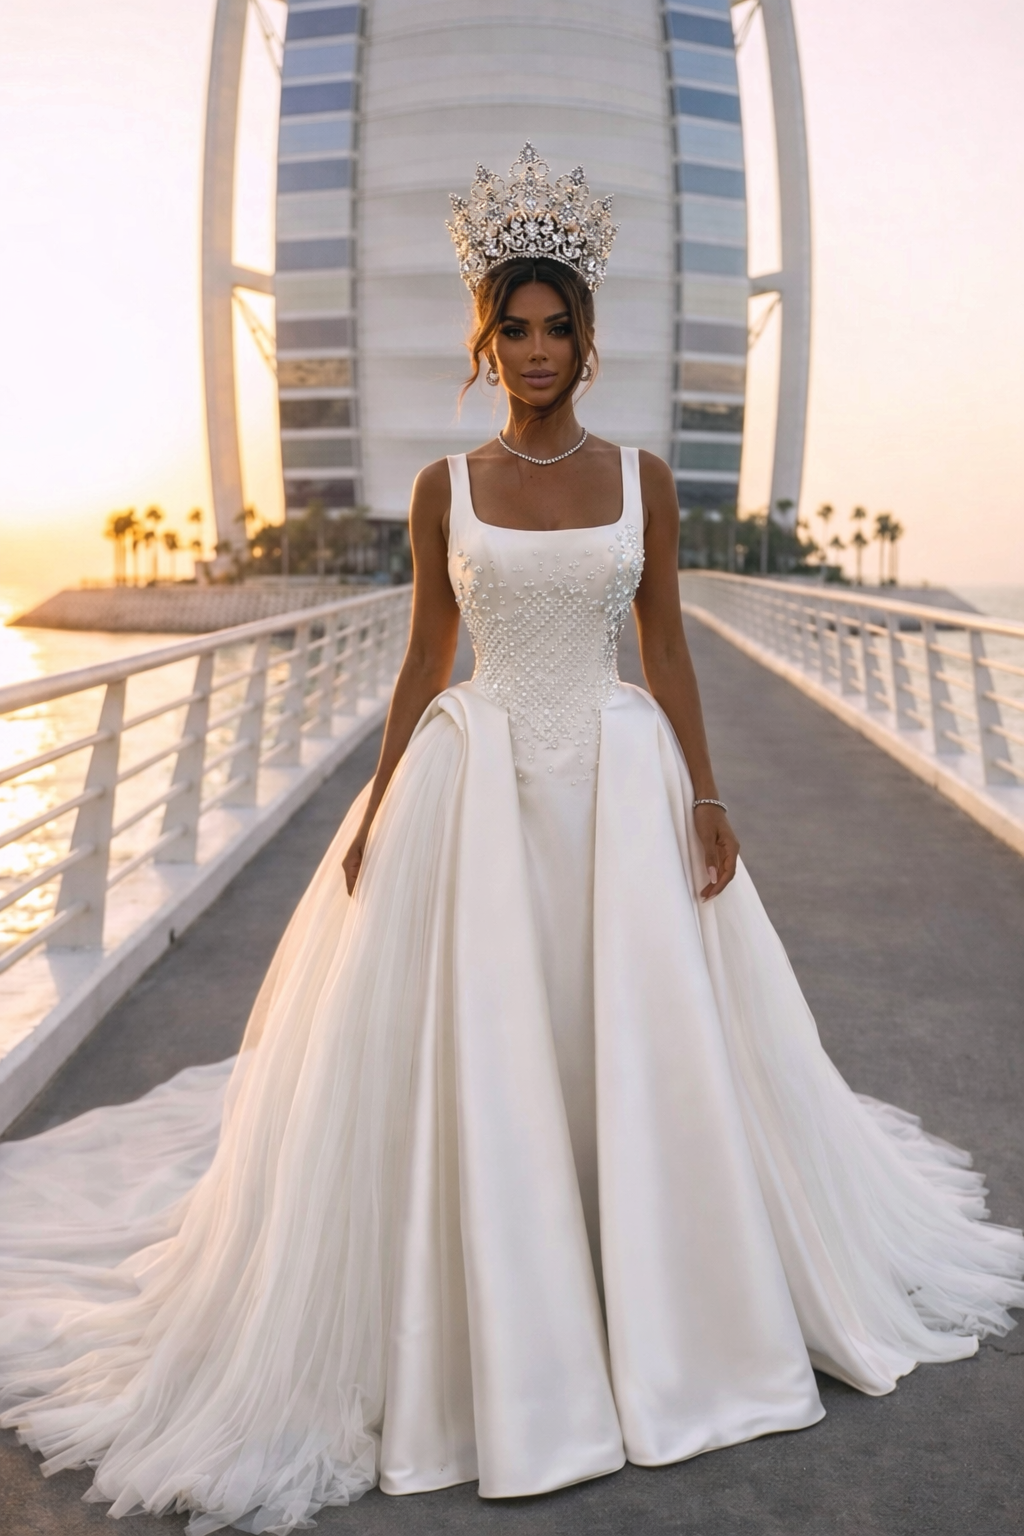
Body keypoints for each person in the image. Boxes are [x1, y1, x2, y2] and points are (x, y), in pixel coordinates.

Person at [0, 145, 1021, 1536]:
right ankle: (501, 1321)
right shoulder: (444, 489)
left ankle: (660, 1308)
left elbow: (662, 643)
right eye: (514, 329)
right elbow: (426, 653)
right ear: (486, 340)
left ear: (584, 339)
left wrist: (710, 798)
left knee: (635, 1043)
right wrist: (371, 805)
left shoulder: (644, 479)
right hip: (473, 791)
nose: (536, 350)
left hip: (616, 781)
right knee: (485, 1053)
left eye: (557, 329)